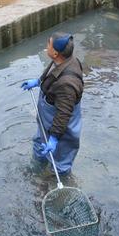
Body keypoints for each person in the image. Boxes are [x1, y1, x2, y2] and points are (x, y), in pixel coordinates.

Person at [21, 33, 84, 175]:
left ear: (55, 53)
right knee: (39, 144)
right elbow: (51, 72)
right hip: (47, 123)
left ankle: (61, 179)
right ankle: (38, 168)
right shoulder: (62, 60)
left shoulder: (67, 84)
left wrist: (54, 138)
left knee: (61, 161)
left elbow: (63, 114)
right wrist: (38, 81)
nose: (46, 46)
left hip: (62, 128)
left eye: (48, 44)